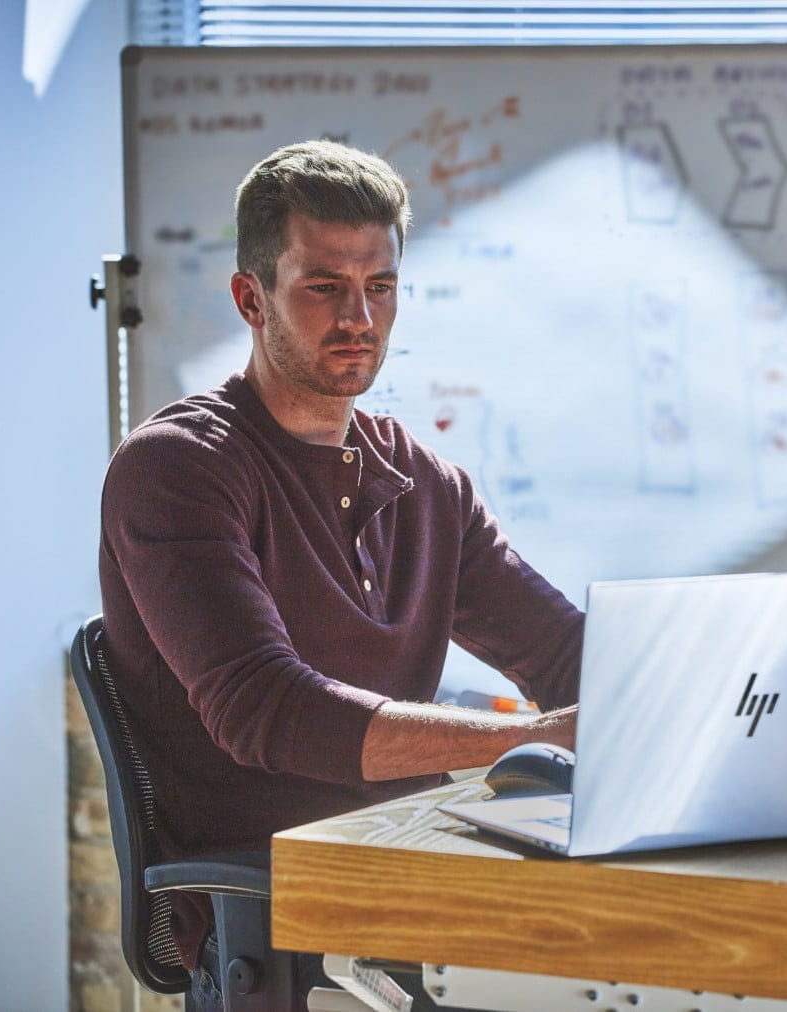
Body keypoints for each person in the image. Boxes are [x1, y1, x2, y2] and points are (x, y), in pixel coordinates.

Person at [98, 140, 584, 1000]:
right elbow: (269, 712)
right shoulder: (177, 469)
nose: (358, 316)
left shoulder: (425, 483)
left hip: (417, 879)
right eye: (324, 286)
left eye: (380, 286)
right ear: (252, 298)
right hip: (288, 915)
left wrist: (713, 701)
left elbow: (559, 650)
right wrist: (529, 742)